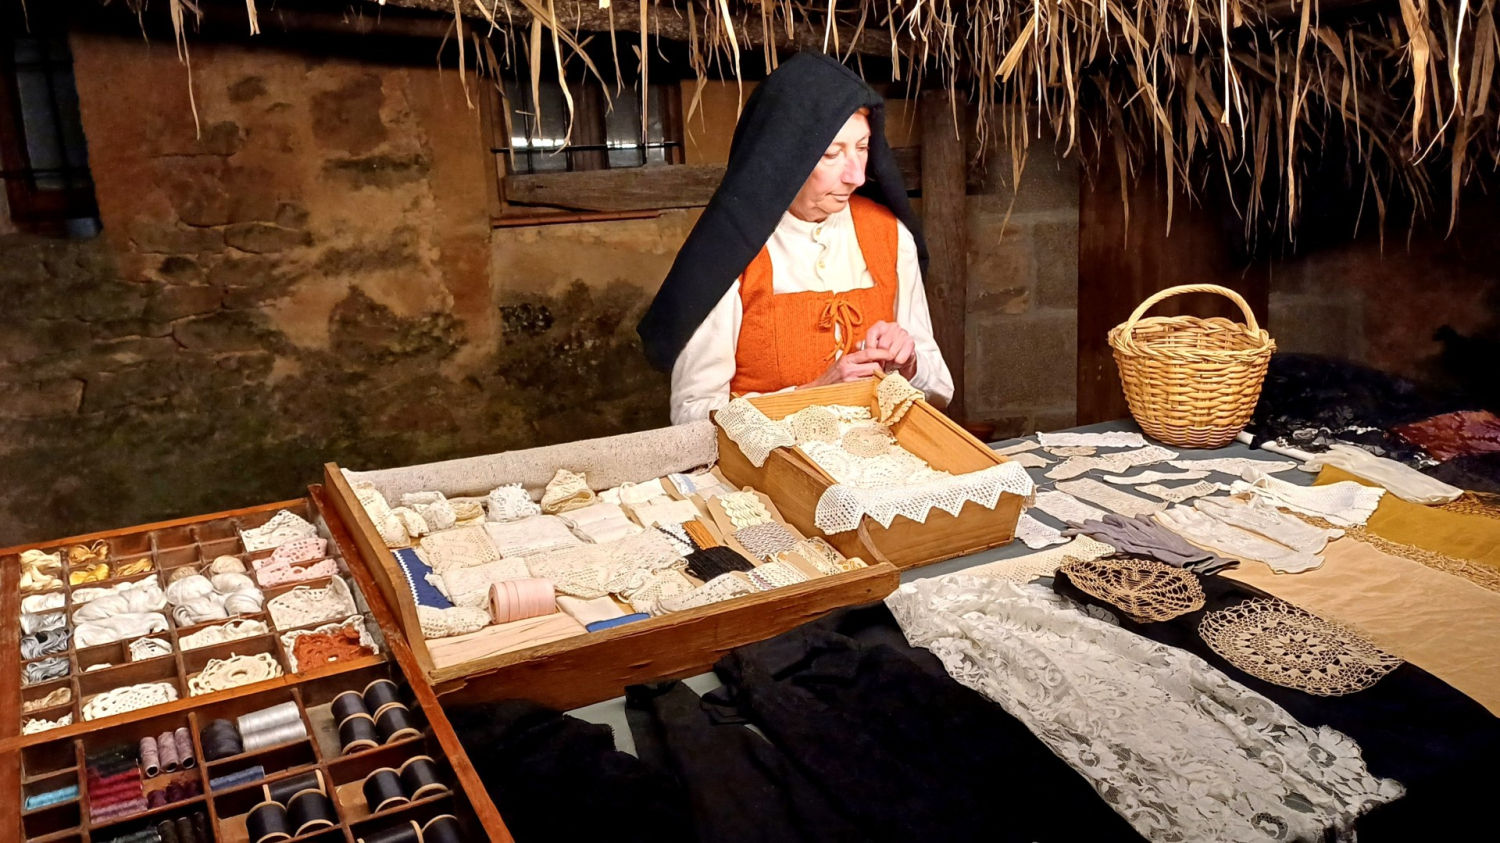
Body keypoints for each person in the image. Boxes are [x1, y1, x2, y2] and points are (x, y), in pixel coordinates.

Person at [637, 52, 953, 425]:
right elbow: (691, 418)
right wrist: (814, 394)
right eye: (833, 153)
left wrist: (909, 363)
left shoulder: (890, 235)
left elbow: (940, 390)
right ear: (788, 157)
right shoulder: (727, 256)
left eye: (863, 148)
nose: (855, 175)